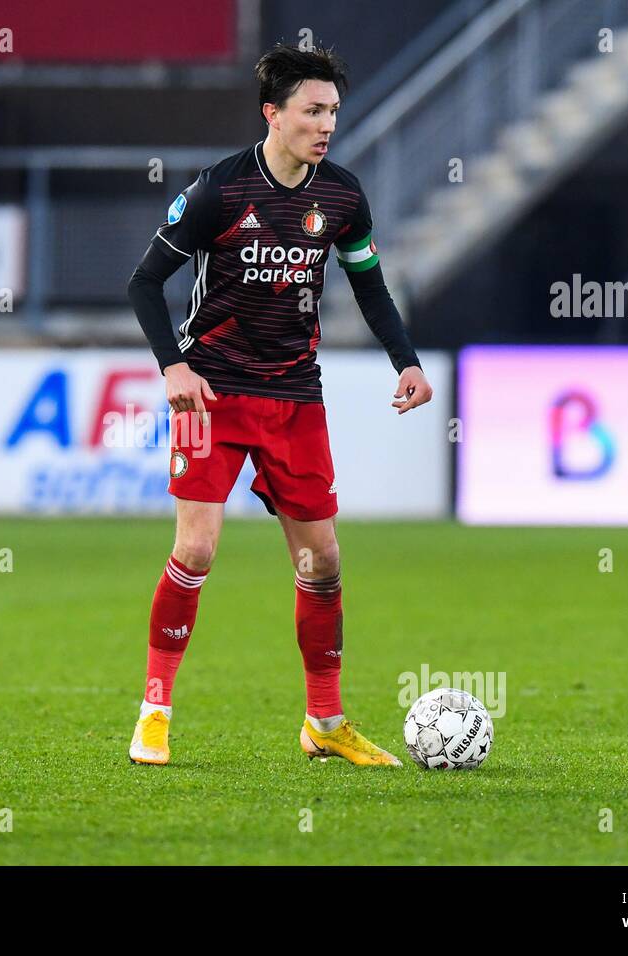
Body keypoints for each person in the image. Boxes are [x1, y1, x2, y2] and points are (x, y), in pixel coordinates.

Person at [125, 44, 432, 767]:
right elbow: (145, 283)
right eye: (313, 111)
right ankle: (154, 712)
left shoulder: (344, 197)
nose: (326, 125)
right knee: (195, 547)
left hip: (295, 394)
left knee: (322, 563)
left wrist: (407, 360)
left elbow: (370, 287)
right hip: (211, 390)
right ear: (274, 113)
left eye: (332, 111)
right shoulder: (218, 192)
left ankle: (324, 723)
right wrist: (172, 366)